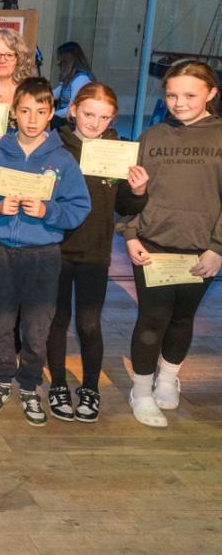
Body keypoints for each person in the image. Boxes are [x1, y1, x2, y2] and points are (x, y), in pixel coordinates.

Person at [0, 78, 91, 427]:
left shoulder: (62, 160)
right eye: (25, 110)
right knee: (0, 321)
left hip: (43, 254)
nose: (32, 118)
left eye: (40, 112)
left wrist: (49, 212)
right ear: (14, 113)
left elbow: (79, 206)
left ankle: (29, 385)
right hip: (0, 252)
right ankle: (1, 379)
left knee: (37, 326)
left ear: (51, 113)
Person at [123, 61, 222, 428]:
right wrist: (130, 234)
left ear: (211, 93)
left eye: (189, 95)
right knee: (151, 319)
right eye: (171, 95)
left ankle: (167, 378)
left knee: (182, 318)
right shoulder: (152, 136)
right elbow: (132, 189)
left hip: (202, 250)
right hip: (153, 246)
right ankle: (142, 390)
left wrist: (218, 248)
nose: (178, 103)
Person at [47, 83, 147, 422]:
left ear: (113, 118)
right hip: (56, 248)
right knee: (56, 320)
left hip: (95, 252)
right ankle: (58, 383)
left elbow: (124, 205)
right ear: (73, 110)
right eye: (89, 114)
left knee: (89, 324)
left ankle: (90, 387)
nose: (95, 123)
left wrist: (138, 191)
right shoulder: (54, 145)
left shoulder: (116, 150)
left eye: (104, 117)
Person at [52, 41, 95, 120]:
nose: (60, 66)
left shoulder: (81, 79)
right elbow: (52, 95)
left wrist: (51, 115)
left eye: (63, 62)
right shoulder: (70, 79)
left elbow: (72, 108)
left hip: (71, 122)